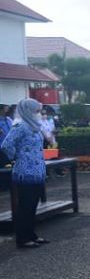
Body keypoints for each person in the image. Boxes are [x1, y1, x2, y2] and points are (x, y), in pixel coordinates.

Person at [1, 98, 50, 249]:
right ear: (28, 111)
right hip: (25, 172)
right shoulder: (20, 126)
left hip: (36, 172)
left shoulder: (34, 126)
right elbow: (6, 145)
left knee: (32, 205)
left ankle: (31, 234)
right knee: (25, 206)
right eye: (36, 110)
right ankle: (22, 238)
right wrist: (16, 157)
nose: (39, 113)